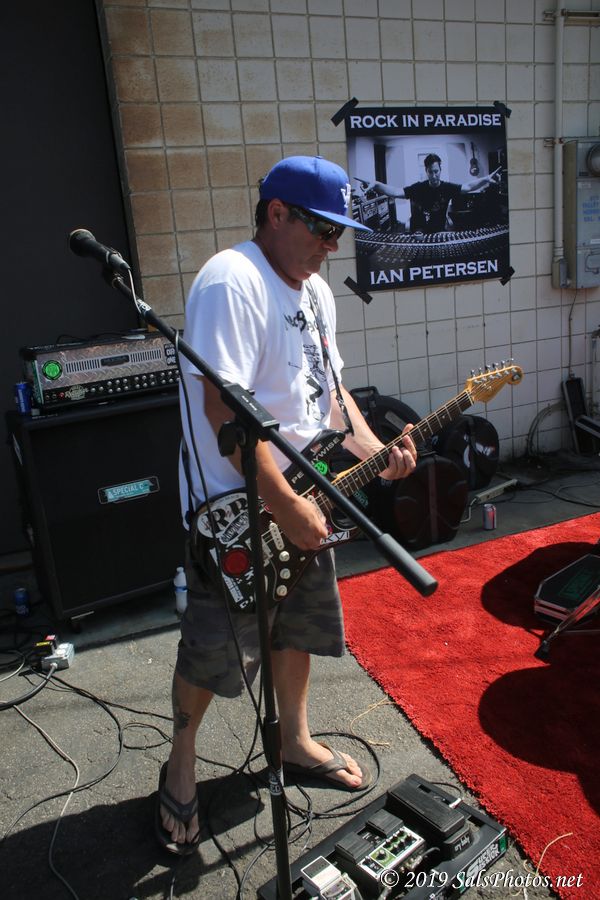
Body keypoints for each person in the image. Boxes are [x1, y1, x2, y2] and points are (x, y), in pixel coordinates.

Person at [157, 155, 417, 855]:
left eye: (340, 235)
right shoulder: (232, 281)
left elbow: (330, 394)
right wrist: (285, 505)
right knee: (214, 650)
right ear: (276, 214)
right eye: (322, 230)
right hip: (236, 507)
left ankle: (294, 741)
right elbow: (225, 412)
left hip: (306, 493)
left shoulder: (316, 291)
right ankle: (179, 764)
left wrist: (374, 449)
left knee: (296, 627)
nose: (332, 246)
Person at [368, 153, 502, 234]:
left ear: (440, 170)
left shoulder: (447, 187)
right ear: (426, 171)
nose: (433, 176)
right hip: (419, 234)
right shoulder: (418, 188)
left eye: (436, 171)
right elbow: (396, 192)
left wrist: (486, 179)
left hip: (439, 232)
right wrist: (377, 184)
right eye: (430, 172)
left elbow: (467, 187)